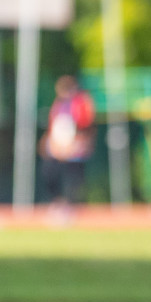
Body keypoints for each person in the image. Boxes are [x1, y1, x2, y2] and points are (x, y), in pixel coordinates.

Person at [40, 75, 96, 209]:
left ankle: (73, 205)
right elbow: (53, 126)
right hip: (57, 148)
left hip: (74, 148)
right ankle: (57, 202)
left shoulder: (81, 102)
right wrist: (48, 143)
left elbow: (86, 125)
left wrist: (77, 144)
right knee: (49, 173)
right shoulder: (58, 104)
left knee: (73, 177)